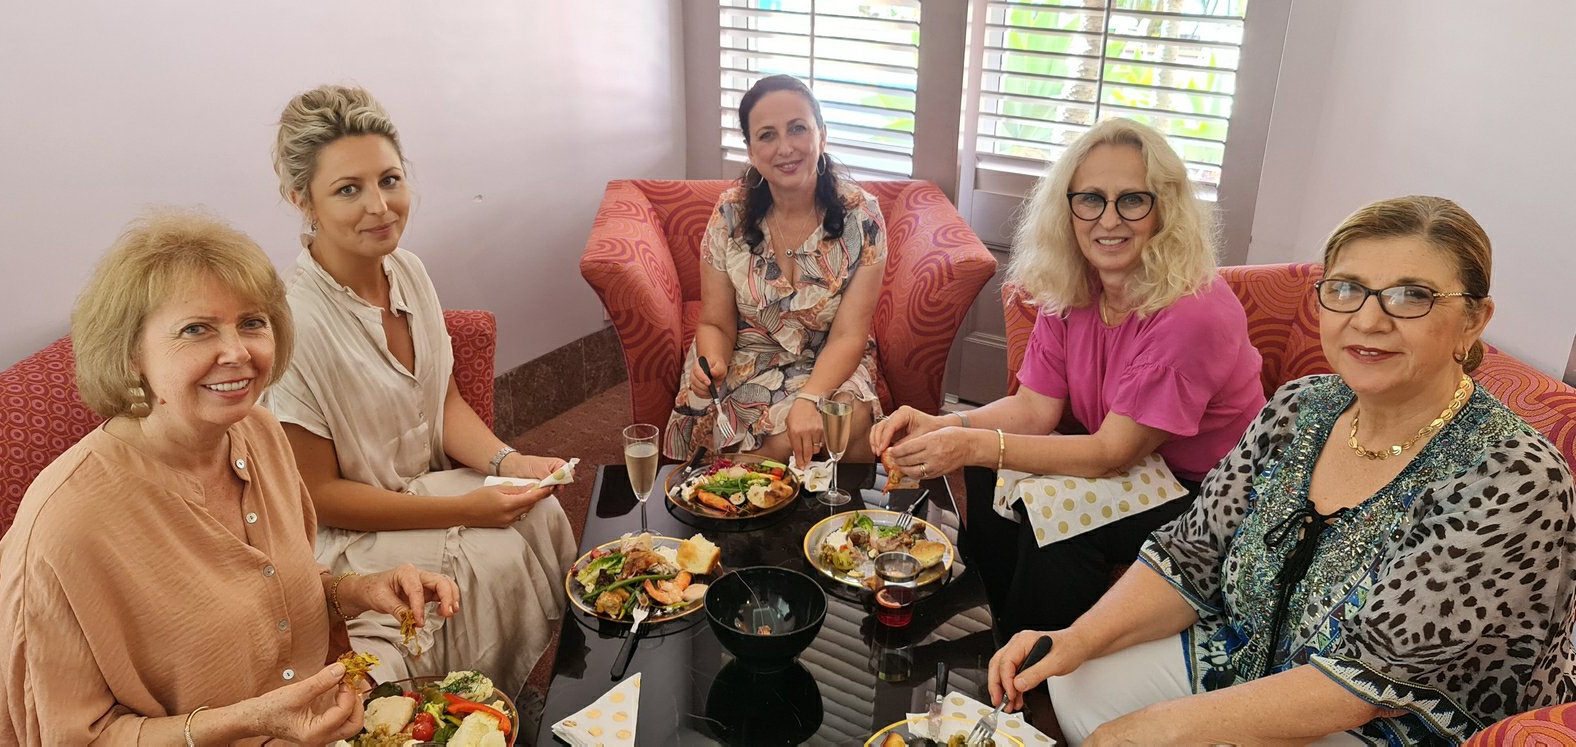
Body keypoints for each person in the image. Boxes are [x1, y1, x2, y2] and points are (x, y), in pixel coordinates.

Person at [989, 196, 1576, 744]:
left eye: (1410, 296)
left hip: (1389, 722)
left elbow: (1369, 681)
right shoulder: (1301, 406)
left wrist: (1157, 727)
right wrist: (1075, 638)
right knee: (1072, 677)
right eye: (1346, 289)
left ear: (1474, 320)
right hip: (1247, 658)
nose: (1369, 320)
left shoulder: (1514, 477)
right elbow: (1192, 556)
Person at [0, 211, 459, 745]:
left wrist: (357, 590)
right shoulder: (61, 531)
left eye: (252, 323)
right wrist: (248, 721)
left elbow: (271, 596)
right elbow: (75, 739)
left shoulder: (259, 432)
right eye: (197, 329)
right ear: (131, 353)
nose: (238, 352)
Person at [871, 118, 1264, 636]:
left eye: (1132, 200)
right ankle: (999, 610)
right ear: (1068, 207)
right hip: (1134, 465)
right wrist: (946, 425)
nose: (1109, 219)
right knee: (991, 467)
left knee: (1057, 522)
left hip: (1207, 491)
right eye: (1091, 199)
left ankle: (1038, 665)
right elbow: (1034, 409)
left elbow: (1111, 453)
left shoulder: (1192, 312)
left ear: (1164, 209)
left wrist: (971, 444)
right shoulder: (1076, 284)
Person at [264, 85, 575, 692]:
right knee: (496, 554)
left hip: (423, 487)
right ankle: (468, 704)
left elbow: (444, 401)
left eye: (390, 180)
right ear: (302, 200)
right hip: (351, 535)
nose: (380, 206)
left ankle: (529, 689)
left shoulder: (409, 271)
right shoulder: (292, 325)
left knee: (541, 509)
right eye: (348, 189)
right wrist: (465, 509)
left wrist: (508, 461)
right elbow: (320, 496)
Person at [662, 74, 886, 466]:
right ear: (751, 151)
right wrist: (712, 363)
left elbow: (849, 335)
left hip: (830, 357)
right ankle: (758, 471)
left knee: (844, 419)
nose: (785, 148)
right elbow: (715, 323)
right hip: (749, 358)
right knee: (827, 444)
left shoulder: (862, 217)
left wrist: (810, 399)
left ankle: (737, 472)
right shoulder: (729, 215)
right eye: (767, 135)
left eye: (798, 128)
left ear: (822, 136)